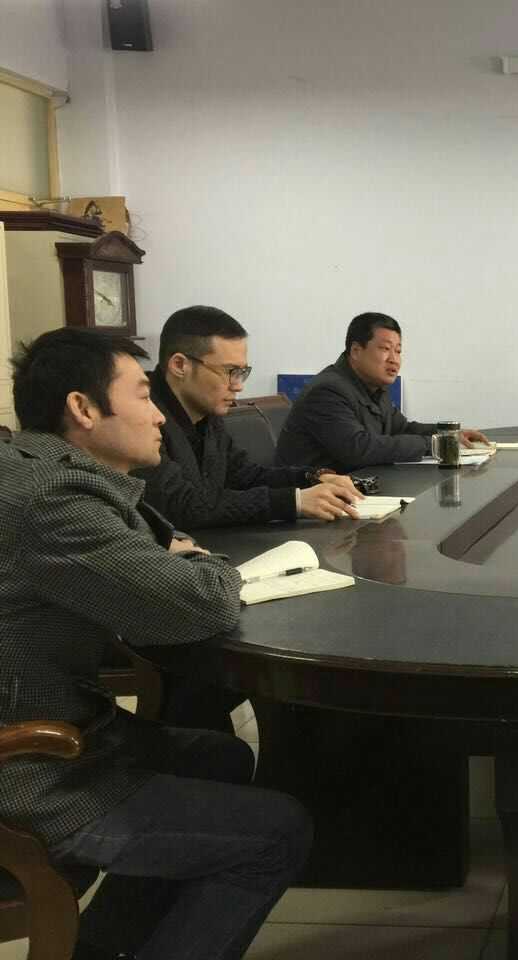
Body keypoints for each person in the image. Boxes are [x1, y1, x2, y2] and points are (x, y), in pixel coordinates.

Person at [0, 328, 311, 960]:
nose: (158, 415)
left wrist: (170, 555)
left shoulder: (35, 469)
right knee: (277, 831)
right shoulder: (53, 501)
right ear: (83, 409)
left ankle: (104, 948)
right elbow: (198, 601)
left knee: (220, 758)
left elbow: (156, 559)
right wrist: (202, 564)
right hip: (31, 766)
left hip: (66, 725)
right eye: (143, 395)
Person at [136, 305, 363, 529]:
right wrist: (292, 502)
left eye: (242, 372)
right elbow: (179, 504)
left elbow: (245, 477)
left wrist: (312, 478)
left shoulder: (206, 411)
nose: (238, 386)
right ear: (179, 365)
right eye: (229, 371)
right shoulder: (139, 416)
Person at [274, 312, 488, 470]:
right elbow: (358, 448)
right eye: (385, 349)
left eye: (398, 351)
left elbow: (402, 428)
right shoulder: (327, 391)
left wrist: (448, 435)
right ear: (356, 351)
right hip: (314, 502)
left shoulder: (373, 387)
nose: (394, 359)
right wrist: (435, 444)